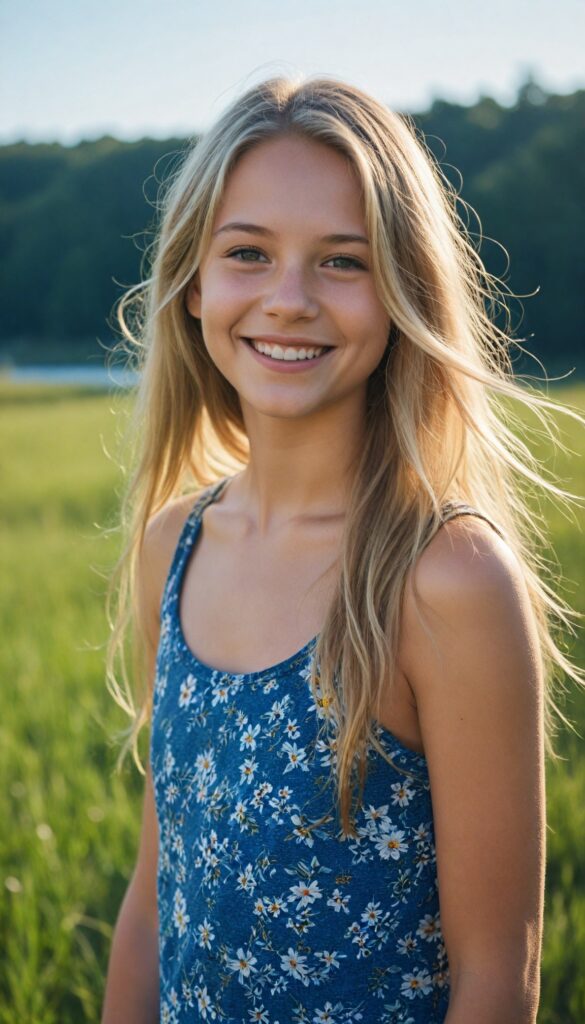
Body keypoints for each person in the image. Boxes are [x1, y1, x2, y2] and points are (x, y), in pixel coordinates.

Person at [100, 76, 585, 1024]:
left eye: (342, 262)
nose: (288, 300)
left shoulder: (442, 580)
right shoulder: (175, 546)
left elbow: (498, 977)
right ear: (193, 284)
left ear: (404, 291)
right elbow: (155, 897)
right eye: (247, 252)